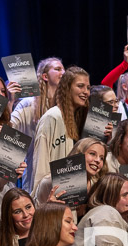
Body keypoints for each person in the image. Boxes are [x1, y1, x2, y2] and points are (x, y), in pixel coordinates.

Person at [31, 66, 89, 197]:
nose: (86, 92)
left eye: (88, 87)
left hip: (72, 193)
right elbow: (41, 161)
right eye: (80, 86)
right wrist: (41, 197)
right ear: (67, 88)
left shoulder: (80, 119)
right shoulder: (53, 117)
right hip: (52, 196)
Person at [11, 57, 64, 192]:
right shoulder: (28, 104)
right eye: (58, 69)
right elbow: (10, 129)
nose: (63, 73)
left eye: (64, 69)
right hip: (35, 173)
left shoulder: (66, 108)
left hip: (62, 174)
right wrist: (10, 101)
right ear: (45, 76)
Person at [34, 137, 107, 207]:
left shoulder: (97, 185)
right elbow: (36, 212)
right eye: (92, 154)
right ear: (79, 153)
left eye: (101, 158)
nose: (98, 160)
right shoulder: (50, 182)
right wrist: (49, 207)